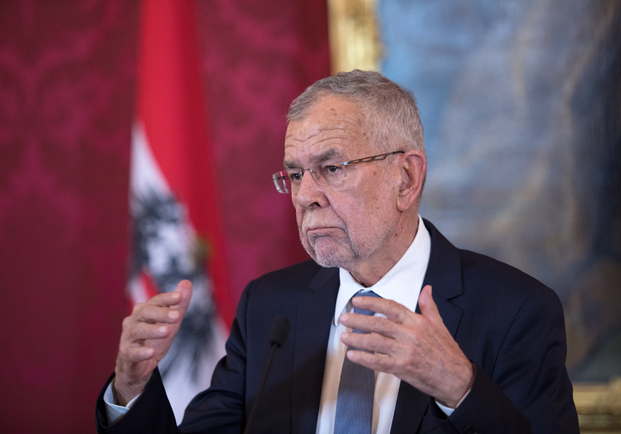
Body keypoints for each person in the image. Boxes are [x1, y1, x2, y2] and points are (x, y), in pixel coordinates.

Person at [96, 70, 579, 434]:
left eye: (331, 167)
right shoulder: (271, 308)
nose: (306, 195)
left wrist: (460, 389)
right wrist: (130, 389)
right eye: (296, 173)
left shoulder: (516, 310)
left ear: (406, 179)